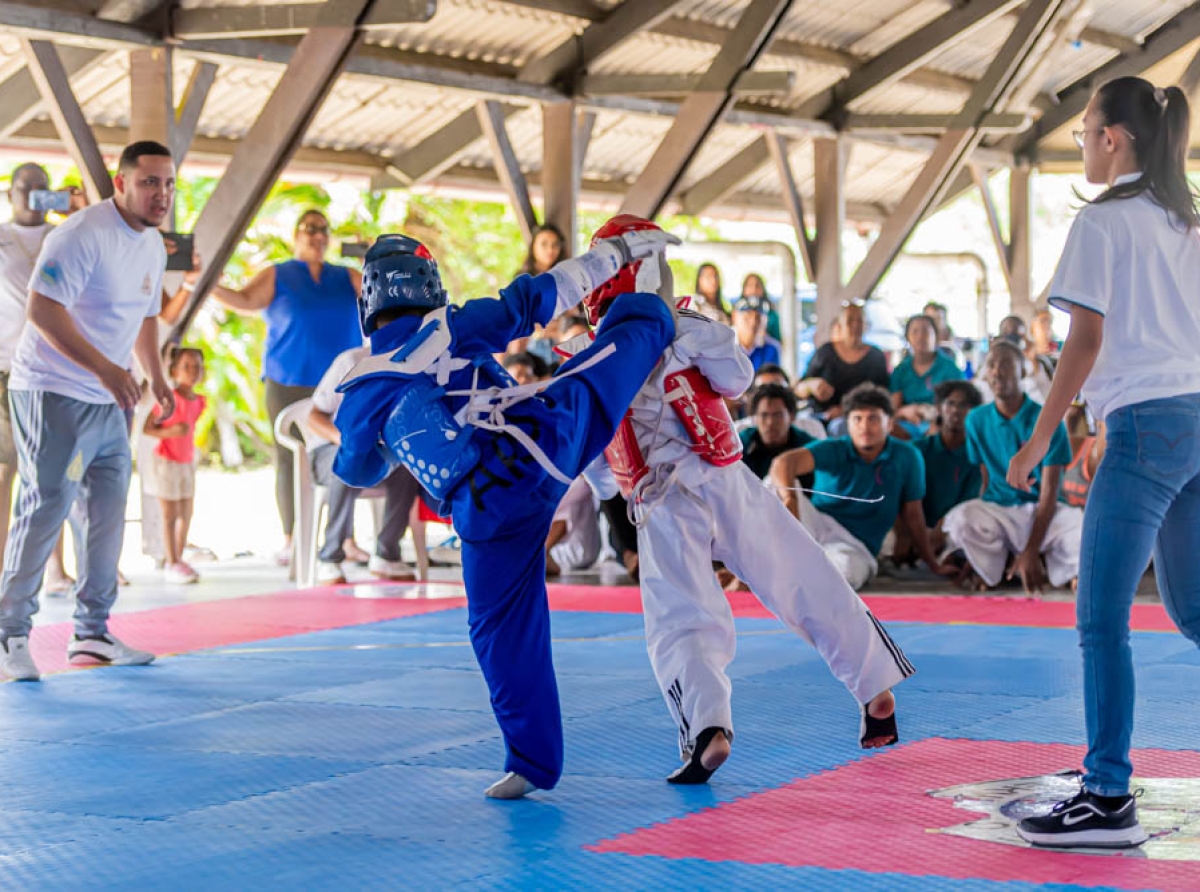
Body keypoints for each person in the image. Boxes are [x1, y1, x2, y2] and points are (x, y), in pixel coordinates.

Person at [333, 228, 677, 799]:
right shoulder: (455, 325)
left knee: (500, 632)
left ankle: (532, 763)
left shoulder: (364, 383)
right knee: (606, 366)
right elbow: (535, 298)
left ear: (368, 299)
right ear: (428, 284)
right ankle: (653, 305)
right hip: (547, 443)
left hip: (489, 506)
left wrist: (394, 435)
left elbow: (355, 470)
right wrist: (611, 256)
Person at [579, 218, 914, 785]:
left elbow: (598, 467)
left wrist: (612, 489)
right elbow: (737, 379)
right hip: (725, 478)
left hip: (661, 502)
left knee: (682, 620)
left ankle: (709, 726)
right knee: (801, 574)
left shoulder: (589, 360)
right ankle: (874, 687)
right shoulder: (688, 327)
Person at [1009, 77, 1200, 849]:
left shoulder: (1104, 221)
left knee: (1099, 620)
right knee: (1191, 611)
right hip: (1192, 419)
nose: (1082, 143)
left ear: (1113, 138)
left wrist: (1039, 439)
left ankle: (1108, 797)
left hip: (1149, 430)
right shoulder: (1182, 220)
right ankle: (1104, 782)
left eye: (1086, 131)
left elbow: (1083, 342)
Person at [0, 141, 176, 681]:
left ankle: (93, 633)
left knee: (106, 511)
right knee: (46, 501)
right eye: (149, 182)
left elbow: (146, 316)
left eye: (168, 184)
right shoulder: (80, 234)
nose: (161, 194)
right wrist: (105, 368)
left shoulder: (153, 246)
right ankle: (9, 634)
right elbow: (42, 310)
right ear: (120, 184)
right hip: (50, 389)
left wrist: (157, 376)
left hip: (109, 399)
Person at [209, 209, 363, 565]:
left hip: (340, 384)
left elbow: (379, 297)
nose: (316, 235)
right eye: (309, 229)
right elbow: (245, 300)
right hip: (287, 379)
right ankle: (293, 537)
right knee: (290, 456)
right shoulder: (280, 273)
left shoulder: (347, 276)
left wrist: (375, 260)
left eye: (323, 229)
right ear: (296, 235)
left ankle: (346, 537)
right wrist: (204, 285)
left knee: (351, 449)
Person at [768, 384, 948, 591]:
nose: (864, 426)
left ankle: (787, 577)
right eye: (857, 419)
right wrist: (790, 499)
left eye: (873, 419)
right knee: (772, 484)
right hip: (814, 525)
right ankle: (758, 567)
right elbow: (783, 463)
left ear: (889, 424)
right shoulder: (835, 448)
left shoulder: (907, 456)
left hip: (855, 546)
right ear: (848, 423)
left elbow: (913, 514)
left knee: (843, 572)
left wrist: (933, 564)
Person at [942, 340, 1080, 595]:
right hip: (1000, 511)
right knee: (960, 520)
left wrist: (1029, 549)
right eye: (991, 365)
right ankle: (1002, 566)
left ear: (1023, 371)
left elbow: (1049, 494)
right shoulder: (976, 419)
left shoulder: (1046, 420)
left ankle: (1042, 564)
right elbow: (986, 481)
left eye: (1006, 364)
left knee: (1082, 528)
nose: (997, 372)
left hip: (1043, 511)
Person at [0, 163, 79, 596]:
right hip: (4, 368)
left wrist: (78, 212)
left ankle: (55, 570)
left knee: (49, 475)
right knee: (3, 471)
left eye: (42, 188)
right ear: (10, 193)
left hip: (52, 370)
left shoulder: (64, 236)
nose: (33, 194)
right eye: (25, 187)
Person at [307, 345, 421, 585]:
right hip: (330, 449)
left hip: (379, 450)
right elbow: (314, 416)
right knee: (350, 458)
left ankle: (386, 553)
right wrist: (344, 441)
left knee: (409, 465)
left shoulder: (417, 360)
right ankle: (329, 557)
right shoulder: (351, 361)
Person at [141, 347, 206, 584]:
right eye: (186, 366)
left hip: (186, 461)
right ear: (174, 371)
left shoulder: (199, 401)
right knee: (169, 514)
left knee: (186, 511)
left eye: (197, 366)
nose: (192, 371)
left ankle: (179, 557)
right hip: (166, 461)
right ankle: (171, 560)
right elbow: (148, 428)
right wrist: (171, 432)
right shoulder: (169, 398)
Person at [909, 381, 984, 556]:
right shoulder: (916, 449)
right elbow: (904, 498)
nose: (956, 410)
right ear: (939, 408)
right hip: (916, 527)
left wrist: (941, 531)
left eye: (964, 405)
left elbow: (968, 503)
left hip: (955, 530)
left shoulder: (978, 454)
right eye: (950, 403)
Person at [795, 302, 890, 425]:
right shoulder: (825, 352)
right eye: (850, 320)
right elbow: (799, 389)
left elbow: (883, 396)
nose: (855, 325)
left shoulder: (876, 356)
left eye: (859, 320)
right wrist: (811, 385)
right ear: (840, 325)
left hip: (860, 421)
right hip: (820, 417)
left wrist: (846, 411)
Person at [890, 314, 963, 437]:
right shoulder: (901, 370)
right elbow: (893, 409)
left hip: (941, 421)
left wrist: (933, 414)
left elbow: (959, 405)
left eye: (926, 331)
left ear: (936, 336)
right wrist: (906, 411)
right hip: (908, 423)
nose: (920, 336)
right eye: (915, 332)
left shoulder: (950, 368)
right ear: (907, 338)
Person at [738, 384, 814, 489]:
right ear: (754, 418)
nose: (770, 422)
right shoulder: (740, 446)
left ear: (792, 416)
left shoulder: (807, 447)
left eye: (778, 415)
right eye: (764, 415)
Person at [731, 296, 781, 372]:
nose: (753, 323)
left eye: (758, 318)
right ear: (734, 316)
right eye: (747, 317)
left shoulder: (772, 348)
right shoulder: (722, 345)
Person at [741, 272, 781, 342]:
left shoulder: (772, 315)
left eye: (757, 286)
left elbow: (778, 342)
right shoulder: (738, 313)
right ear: (744, 290)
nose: (754, 289)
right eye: (750, 285)